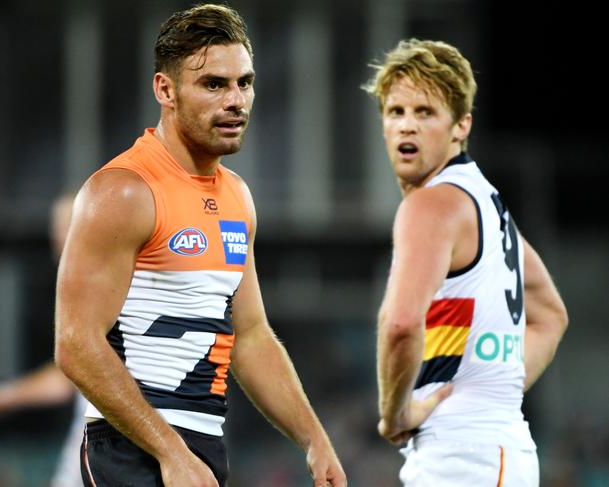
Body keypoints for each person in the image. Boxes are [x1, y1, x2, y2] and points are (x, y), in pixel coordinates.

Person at [54, 5, 346, 487]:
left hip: (204, 446)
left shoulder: (237, 198)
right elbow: (75, 344)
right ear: (165, 90)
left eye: (244, 83)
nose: (236, 100)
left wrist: (314, 439)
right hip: (130, 448)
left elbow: (250, 335)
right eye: (214, 84)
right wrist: (171, 452)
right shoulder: (123, 191)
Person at [364, 38, 568, 486]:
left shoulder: (432, 205)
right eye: (395, 111)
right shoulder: (487, 206)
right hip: (489, 451)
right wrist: (492, 390)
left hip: (464, 457)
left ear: (461, 125)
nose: (407, 127)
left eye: (425, 112)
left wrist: (394, 413)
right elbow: (550, 315)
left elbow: (400, 324)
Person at [0, 193, 86, 487]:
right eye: (56, 227)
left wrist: (5, 396)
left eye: (67, 225)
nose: (57, 237)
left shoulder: (97, 287)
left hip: (107, 441)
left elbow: (68, 375)